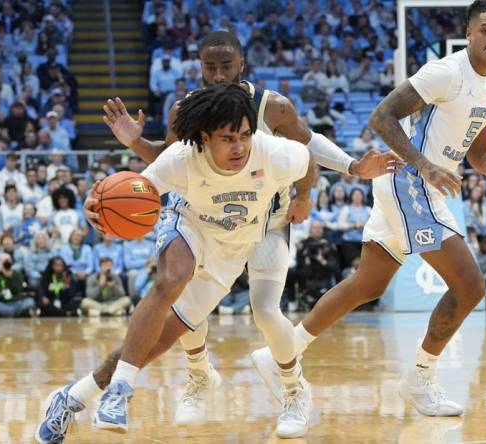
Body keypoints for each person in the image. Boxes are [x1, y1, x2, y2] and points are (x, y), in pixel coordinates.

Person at [76, 30, 399, 429]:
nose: (216, 74)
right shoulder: (188, 109)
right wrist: (136, 142)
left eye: (225, 66)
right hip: (208, 216)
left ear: (241, 65)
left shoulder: (272, 107)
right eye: (209, 67)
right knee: (180, 288)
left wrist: (315, 190)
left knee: (265, 311)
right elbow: (171, 160)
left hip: (268, 219)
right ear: (199, 68)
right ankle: (197, 375)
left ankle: (294, 390)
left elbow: (308, 146)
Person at [251, 0, 486, 418]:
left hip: (419, 185)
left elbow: (481, 153)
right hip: (409, 181)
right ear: (470, 33)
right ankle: (419, 380)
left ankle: (282, 350)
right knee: (471, 287)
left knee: (369, 284)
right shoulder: (446, 72)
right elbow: (381, 117)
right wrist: (425, 165)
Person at [37, 83, 318, 442]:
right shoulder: (182, 158)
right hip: (188, 224)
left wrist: (305, 195)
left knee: (159, 340)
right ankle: (121, 390)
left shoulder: (274, 153)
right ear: (205, 137)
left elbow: (307, 162)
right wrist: (96, 207)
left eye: (245, 135)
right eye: (228, 138)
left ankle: (72, 397)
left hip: (230, 253)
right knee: (173, 277)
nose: (240, 146)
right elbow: (130, 194)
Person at [0, 252, 35, 318]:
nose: (6, 263)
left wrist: (10, 277)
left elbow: (18, 289)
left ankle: (5, 314)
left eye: (7, 260)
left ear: (11, 261)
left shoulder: (16, 274)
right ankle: (14, 314)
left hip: (16, 302)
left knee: (30, 301)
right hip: (1, 303)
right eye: (3, 261)